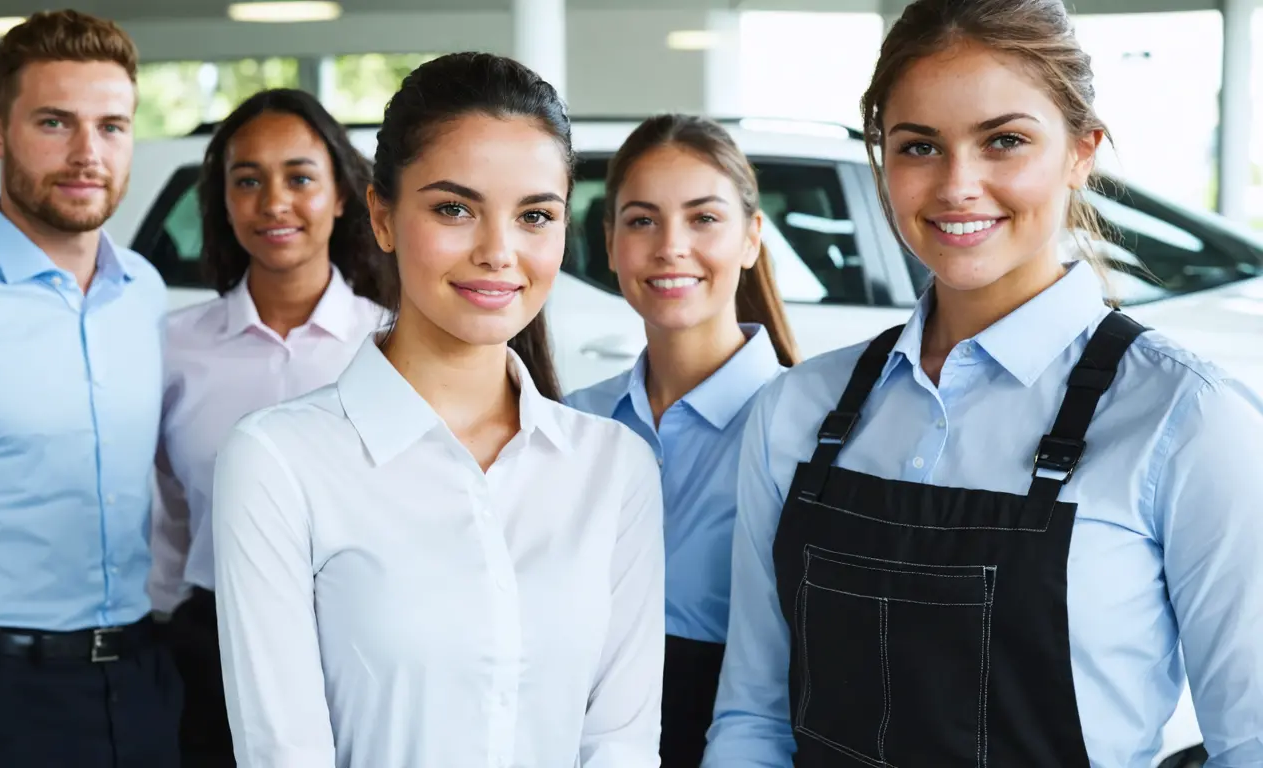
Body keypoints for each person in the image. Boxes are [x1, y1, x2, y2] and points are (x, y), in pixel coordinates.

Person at [703, 0, 1263, 766]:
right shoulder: (798, 410)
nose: (958, 185)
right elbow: (754, 720)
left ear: (1081, 151)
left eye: (1004, 141)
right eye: (919, 146)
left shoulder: (1187, 419)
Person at [208, 52, 666, 768]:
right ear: (382, 218)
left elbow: (622, 744)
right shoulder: (278, 462)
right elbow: (283, 752)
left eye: (535, 215)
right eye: (454, 208)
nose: (498, 251)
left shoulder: (613, 467)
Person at [0, 10, 181, 768]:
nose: (86, 154)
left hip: (141, 679)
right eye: (55, 123)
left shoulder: (145, 291)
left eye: (111, 126)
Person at [148, 88, 390, 768]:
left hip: (360, 646)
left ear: (343, 194)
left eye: (300, 177)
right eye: (247, 180)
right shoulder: (174, 345)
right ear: (223, 201)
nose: (273, 202)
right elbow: (166, 508)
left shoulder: (391, 345)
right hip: (208, 647)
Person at [563, 114, 798, 768]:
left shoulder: (805, 426)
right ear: (608, 243)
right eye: (641, 220)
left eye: (703, 219)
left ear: (752, 238)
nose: (671, 246)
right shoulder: (575, 424)